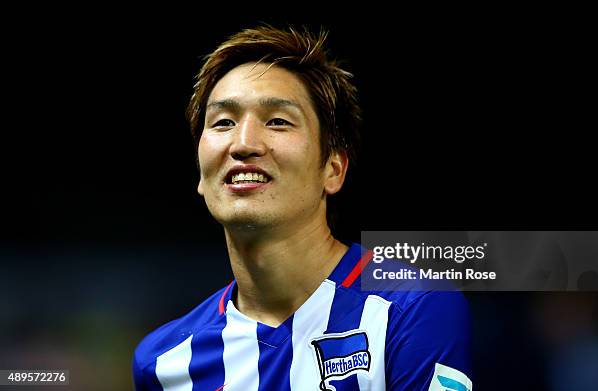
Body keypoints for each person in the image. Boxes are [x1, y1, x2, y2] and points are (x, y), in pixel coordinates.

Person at [132, 25, 472, 391]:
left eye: (278, 121)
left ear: (333, 169)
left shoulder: (409, 310)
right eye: (223, 122)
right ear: (201, 174)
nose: (243, 143)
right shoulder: (163, 362)